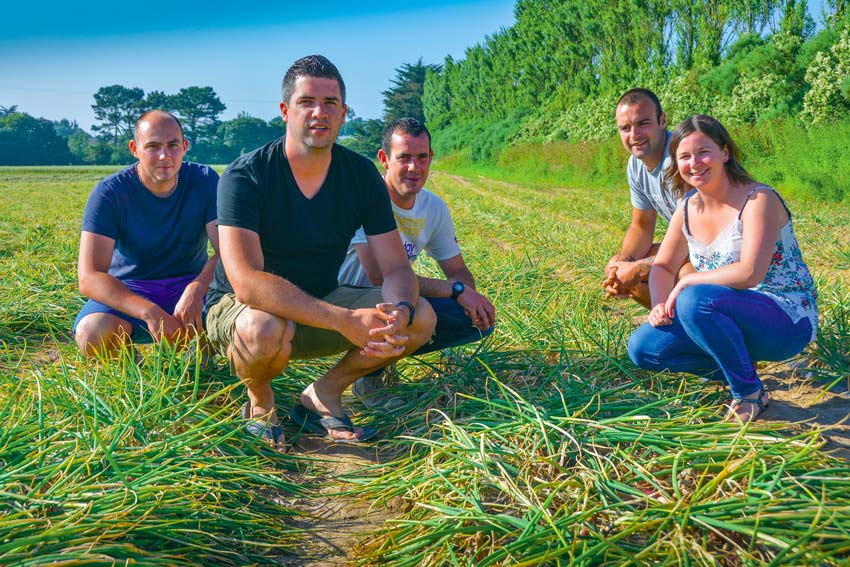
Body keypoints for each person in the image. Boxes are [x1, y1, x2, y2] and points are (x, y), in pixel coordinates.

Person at [205, 55, 436, 446]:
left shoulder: (360, 175)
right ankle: (260, 401)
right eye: (306, 102)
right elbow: (246, 283)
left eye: (330, 104)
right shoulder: (245, 176)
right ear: (285, 110)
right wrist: (343, 319)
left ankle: (323, 394)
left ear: (344, 113)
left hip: (321, 300)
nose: (319, 113)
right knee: (264, 327)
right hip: (241, 312)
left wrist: (399, 310)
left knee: (422, 317)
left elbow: (396, 267)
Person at [627, 115, 818, 423]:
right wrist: (660, 304)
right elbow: (663, 266)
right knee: (644, 348)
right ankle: (743, 369)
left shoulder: (758, 200)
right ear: (676, 164)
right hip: (724, 313)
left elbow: (749, 273)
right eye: (684, 156)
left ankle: (748, 392)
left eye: (704, 152)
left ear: (725, 153)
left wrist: (687, 283)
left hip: (786, 318)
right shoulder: (687, 207)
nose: (695, 163)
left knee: (695, 299)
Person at [338, 118, 496, 406]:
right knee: (410, 308)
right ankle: (367, 376)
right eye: (405, 158)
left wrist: (468, 295)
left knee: (475, 321)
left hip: (394, 299)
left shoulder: (433, 207)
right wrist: (453, 290)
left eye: (422, 157)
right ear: (384, 159)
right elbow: (378, 276)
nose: (415, 167)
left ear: (431, 157)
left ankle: (377, 363)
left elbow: (457, 269)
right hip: (347, 299)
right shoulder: (366, 198)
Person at [74, 110, 219, 357]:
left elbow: (229, 252)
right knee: (92, 332)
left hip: (190, 283)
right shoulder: (110, 193)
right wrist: (149, 311)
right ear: (134, 148)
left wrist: (197, 289)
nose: (165, 156)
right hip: (130, 287)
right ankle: (136, 370)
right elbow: (89, 277)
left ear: (185, 146)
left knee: (238, 318)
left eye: (173, 145)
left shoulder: (204, 181)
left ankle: (202, 362)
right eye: (153, 146)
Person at [604, 88, 694, 307]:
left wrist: (642, 267)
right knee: (621, 266)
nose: (634, 135)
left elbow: (704, 241)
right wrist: (622, 265)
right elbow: (642, 226)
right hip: (691, 244)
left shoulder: (682, 158)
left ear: (662, 120)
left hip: (722, 249)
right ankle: (674, 328)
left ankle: (697, 327)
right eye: (625, 128)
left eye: (642, 123)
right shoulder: (635, 165)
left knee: (686, 276)